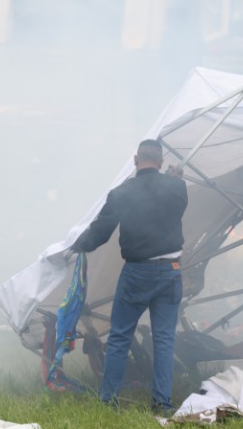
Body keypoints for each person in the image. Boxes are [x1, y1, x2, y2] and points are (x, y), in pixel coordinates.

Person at [70, 139, 188, 414]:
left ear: (136, 160)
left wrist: (78, 245)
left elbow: (100, 232)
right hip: (171, 270)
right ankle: (162, 403)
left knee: (120, 336)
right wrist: (174, 179)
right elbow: (174, 207)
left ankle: (108, 402)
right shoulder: (178, 187)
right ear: (160, 161)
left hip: (138, 272)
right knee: (164, 339)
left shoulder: (122, 193)